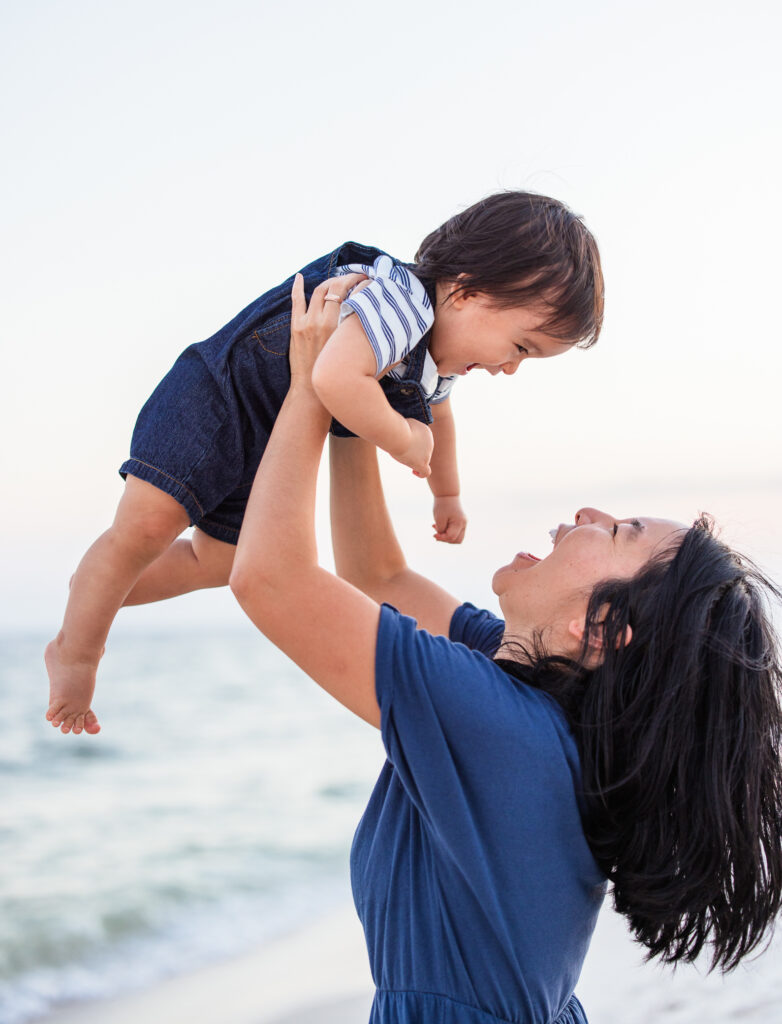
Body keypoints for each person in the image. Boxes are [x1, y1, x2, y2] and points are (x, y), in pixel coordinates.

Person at [228, 278, 782, 1023]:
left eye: (616, 532)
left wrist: (307, 387)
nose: (588, 513)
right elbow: (379, 578)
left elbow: (271, 580)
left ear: (605, 630)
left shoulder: (501, 725)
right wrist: (352, 401)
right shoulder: (533, 689)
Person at [45, 190, 604, 736]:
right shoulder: (401, 301)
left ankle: (99, 585)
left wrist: (446, 493)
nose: (511, 368)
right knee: (144, 527)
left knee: (216, 561)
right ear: (466, 292)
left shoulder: (435, 356)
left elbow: (440, 416)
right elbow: (333, 377)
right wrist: (400, 440)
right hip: (216, 399)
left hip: (271, 432)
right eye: (522, 346)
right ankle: (76, 652)